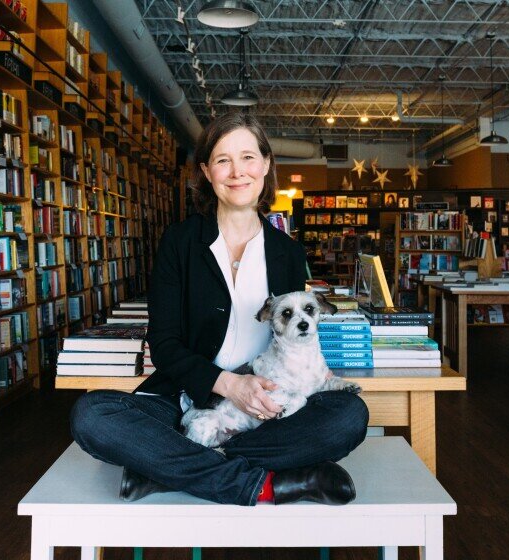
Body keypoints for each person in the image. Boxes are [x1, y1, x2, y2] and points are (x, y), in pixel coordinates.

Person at [70, 112, 368, 506]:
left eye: (247, 157)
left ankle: (168, 469)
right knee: (91, 415)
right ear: (207, 171)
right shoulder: (179, 241)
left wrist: (257, 393)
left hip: (266, 406)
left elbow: (297, 336)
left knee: (349, 415)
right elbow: (163, 343)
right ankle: (268, 485)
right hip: (180, 400)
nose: (236, 171)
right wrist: (229, 385)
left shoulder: (288, 253)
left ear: (265, 165)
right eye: (223, 159)